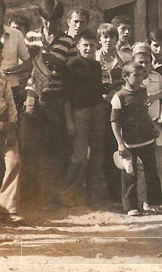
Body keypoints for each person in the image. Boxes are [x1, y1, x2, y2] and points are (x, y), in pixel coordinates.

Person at [23, 0, 78, 208]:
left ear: (60, 20)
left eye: (53, 22)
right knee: (32, 146)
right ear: (41, 19)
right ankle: (34, 194)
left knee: (55, 148)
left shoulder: (67, 42)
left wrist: (55, 62)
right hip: (33, 99)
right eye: (46, 21)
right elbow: (25, 67)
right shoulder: (31, 37)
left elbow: (73, 73)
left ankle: (53, 195)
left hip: (55, 101)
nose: (49, 26)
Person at [110, 61, 162, 216]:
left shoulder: (143, 91)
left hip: (146, 139)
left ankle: (152, 203)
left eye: (142, 75)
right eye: (136, 75)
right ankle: (131, 207)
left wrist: (153, 128)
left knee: (151, 173)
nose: (140, 78)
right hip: (129, 142)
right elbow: (115, 122)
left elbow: (144, 112)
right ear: (126, 77)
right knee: (130, 174)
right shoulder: (119, 97)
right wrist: (120, 143)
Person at [64, 29, 106, 206]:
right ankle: (69, 194)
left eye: (92, 45)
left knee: (97, 153)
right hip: (79, 113)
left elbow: (98, 90)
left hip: (97, 111)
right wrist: (69, 121)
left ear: (96, 46)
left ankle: (92, 196)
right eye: (85, 45)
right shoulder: (71, 65)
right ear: (78, 46)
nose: (89, 49)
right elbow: (66, 95)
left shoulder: (96, 66)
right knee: (79, 156)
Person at [131, 43, 162, 210]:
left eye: (147, 62)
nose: (144, 66)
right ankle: (141, 201)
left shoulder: (157, 78)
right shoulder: (131, 80)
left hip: (156, 125)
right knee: (140, 167)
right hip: (138, 128)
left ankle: (159, 201)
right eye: (140, 62)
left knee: (159, 165)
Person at [96, 22, 128, 202]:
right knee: (102, 147)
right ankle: (104, 192)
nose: (108, 41)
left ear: (117, 39)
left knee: (117, 146)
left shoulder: (124, 59)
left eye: (112, 37)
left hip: (118, 109)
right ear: (100, 39)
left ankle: (117, 192)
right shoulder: (94, 58)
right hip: (100, 107)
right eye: (105, 37)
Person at [0, 40, 23, 224]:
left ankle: (8, 210)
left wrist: (12, 124)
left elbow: (10, 102)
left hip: (5, 126)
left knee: (13, 161)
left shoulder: (1, 76)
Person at [0, 0, 32, 113]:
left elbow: (28, 63)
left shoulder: (16, 34)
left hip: (12, 87)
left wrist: (10, 71)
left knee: (13, 120)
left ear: (3, 12)